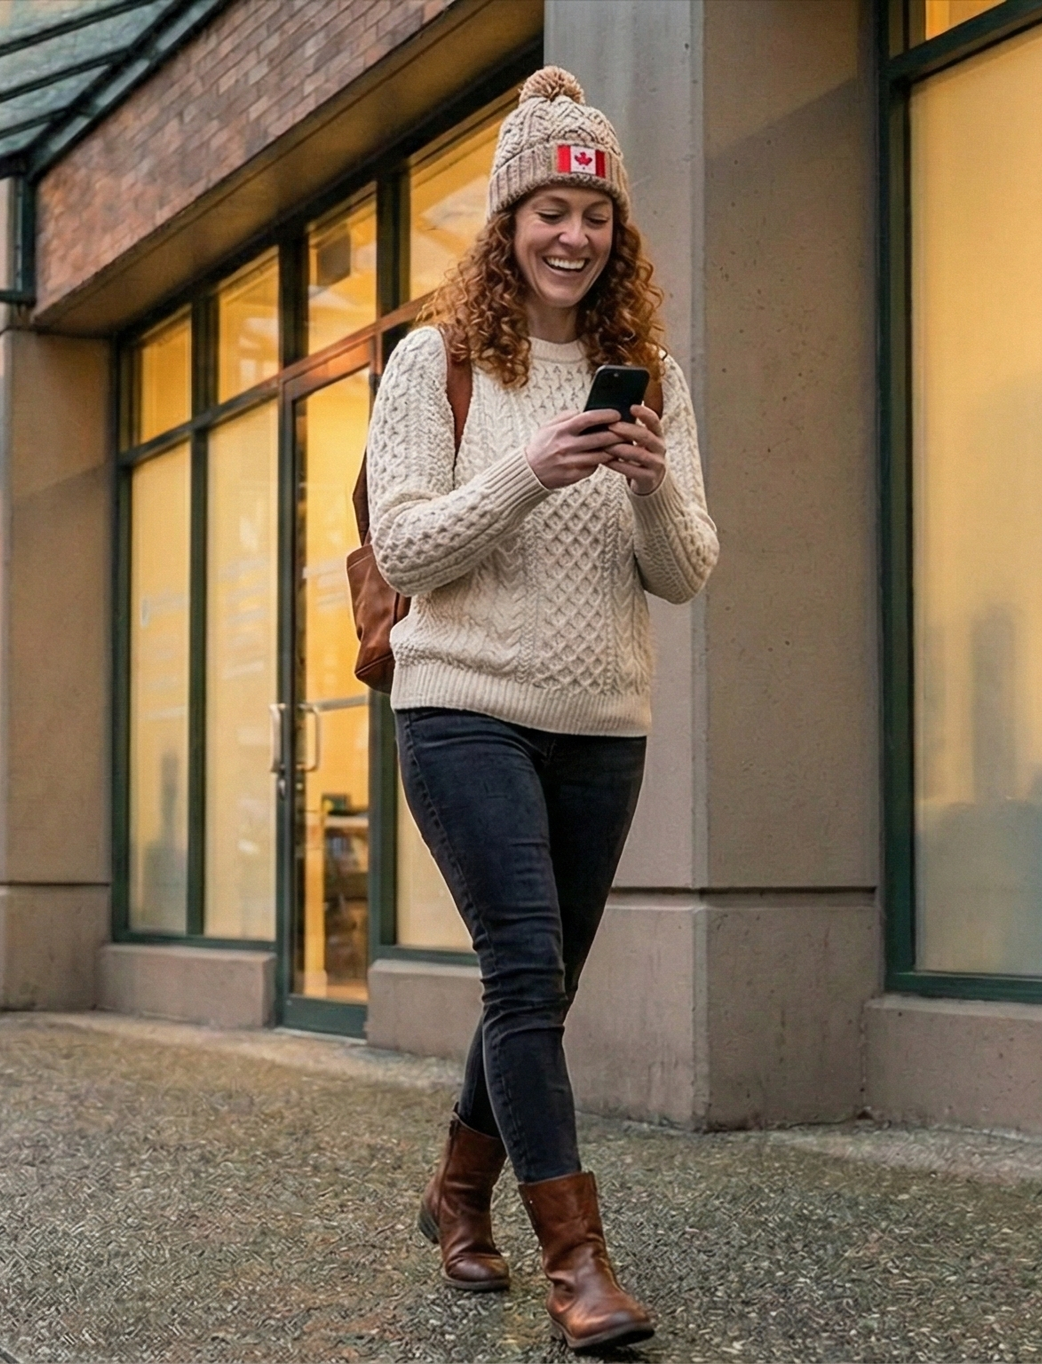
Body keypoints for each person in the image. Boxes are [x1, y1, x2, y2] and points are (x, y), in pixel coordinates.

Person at [366, 67, 718, 1353]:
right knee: (520, 967)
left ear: (616, 232)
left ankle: (458, 1194)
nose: (573, 236)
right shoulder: (436, 361)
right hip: (461, 708)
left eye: (597, 216)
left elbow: (685, 572)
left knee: (542, 984)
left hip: (601, 720)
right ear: (509, 221)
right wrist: (529, 466)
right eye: (548, 212)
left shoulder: (652, 379)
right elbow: (405, 551)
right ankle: (579, 1264)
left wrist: (637, 482)